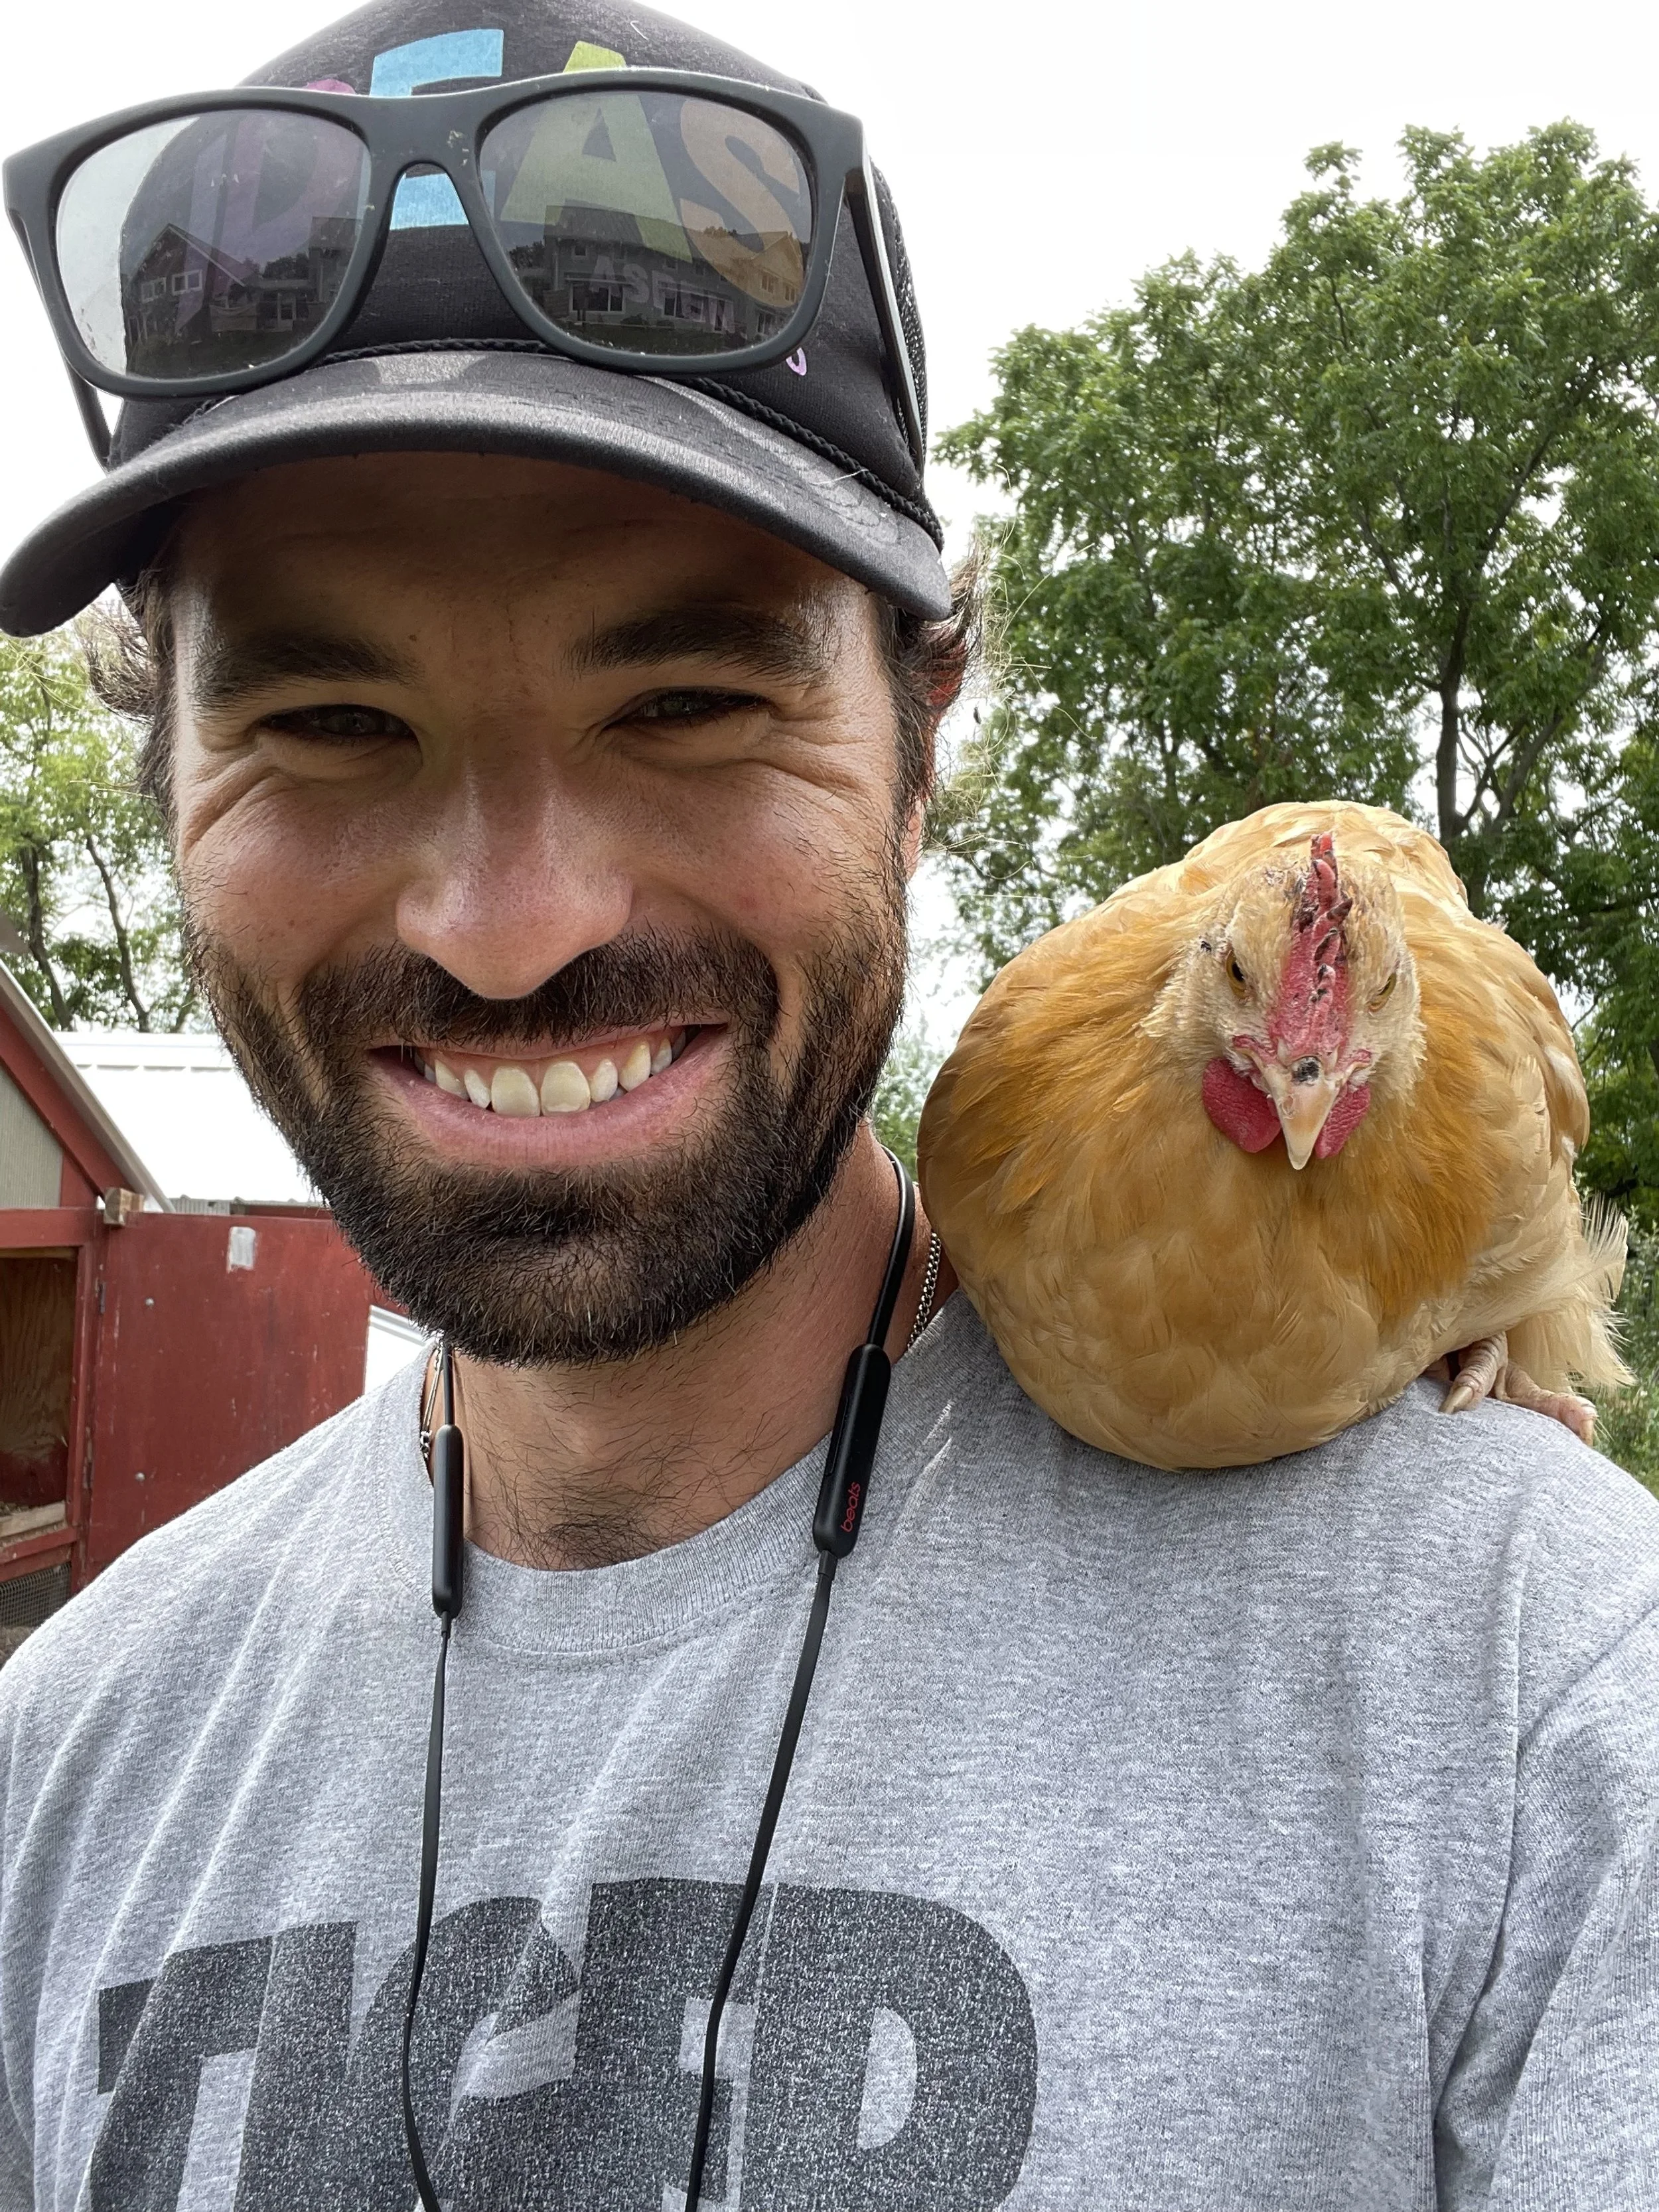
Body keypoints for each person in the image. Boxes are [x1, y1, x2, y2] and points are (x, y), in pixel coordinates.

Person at [1, 1, 1656, 2205]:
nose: (511, 928)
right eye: (328, 718)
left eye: (685, 696)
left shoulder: (1529, 1694)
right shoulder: (67, 1771)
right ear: (168, 782)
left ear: (926, 730)